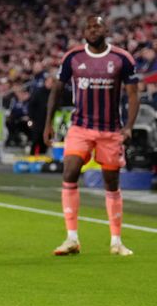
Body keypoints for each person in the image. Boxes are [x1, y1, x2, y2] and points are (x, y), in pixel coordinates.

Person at [44, 15, 139, 256]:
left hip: (110, 129)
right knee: (70, 171)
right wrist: (48, 124)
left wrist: (128, 127)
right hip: (80, 127)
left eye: (97, 26)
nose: (92, 30)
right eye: (88, 26)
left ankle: (116, 241)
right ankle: (71, 238)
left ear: (106, 29)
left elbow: (133, 95)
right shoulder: (73, 57)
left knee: (111, 182)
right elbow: (56, 89)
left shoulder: (122, 59)